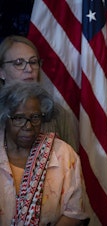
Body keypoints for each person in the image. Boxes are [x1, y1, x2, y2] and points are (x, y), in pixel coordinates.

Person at [0, 81, 88, 225]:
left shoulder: (63, 154)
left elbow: (75, 214)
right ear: (5, 118)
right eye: (19, 118)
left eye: (35, 117)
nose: (28, 126)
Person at [0, 35, 79, 151]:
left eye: (33, 62)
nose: (29, 69)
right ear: (1, 72)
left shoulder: (59, 115)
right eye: (19, 63)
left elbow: (71, 164)